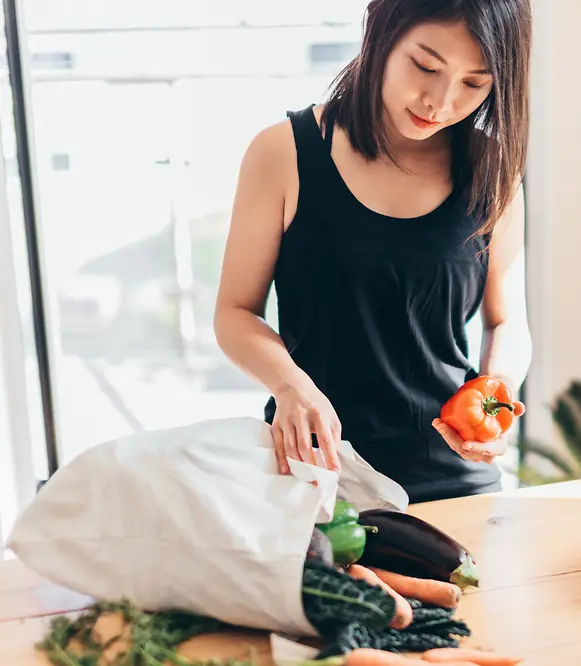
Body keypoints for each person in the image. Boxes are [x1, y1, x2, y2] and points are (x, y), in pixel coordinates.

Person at [213, 0, 533, 504]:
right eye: (425, 66)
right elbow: (234, 314)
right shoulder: (285, 153)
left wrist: (497, 394)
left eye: (474, 83)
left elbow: (506, 320)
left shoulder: (493, 169)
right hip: (316, 476)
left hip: (456, 482)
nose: (439, 101)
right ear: (381, 35)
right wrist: (290, 385)